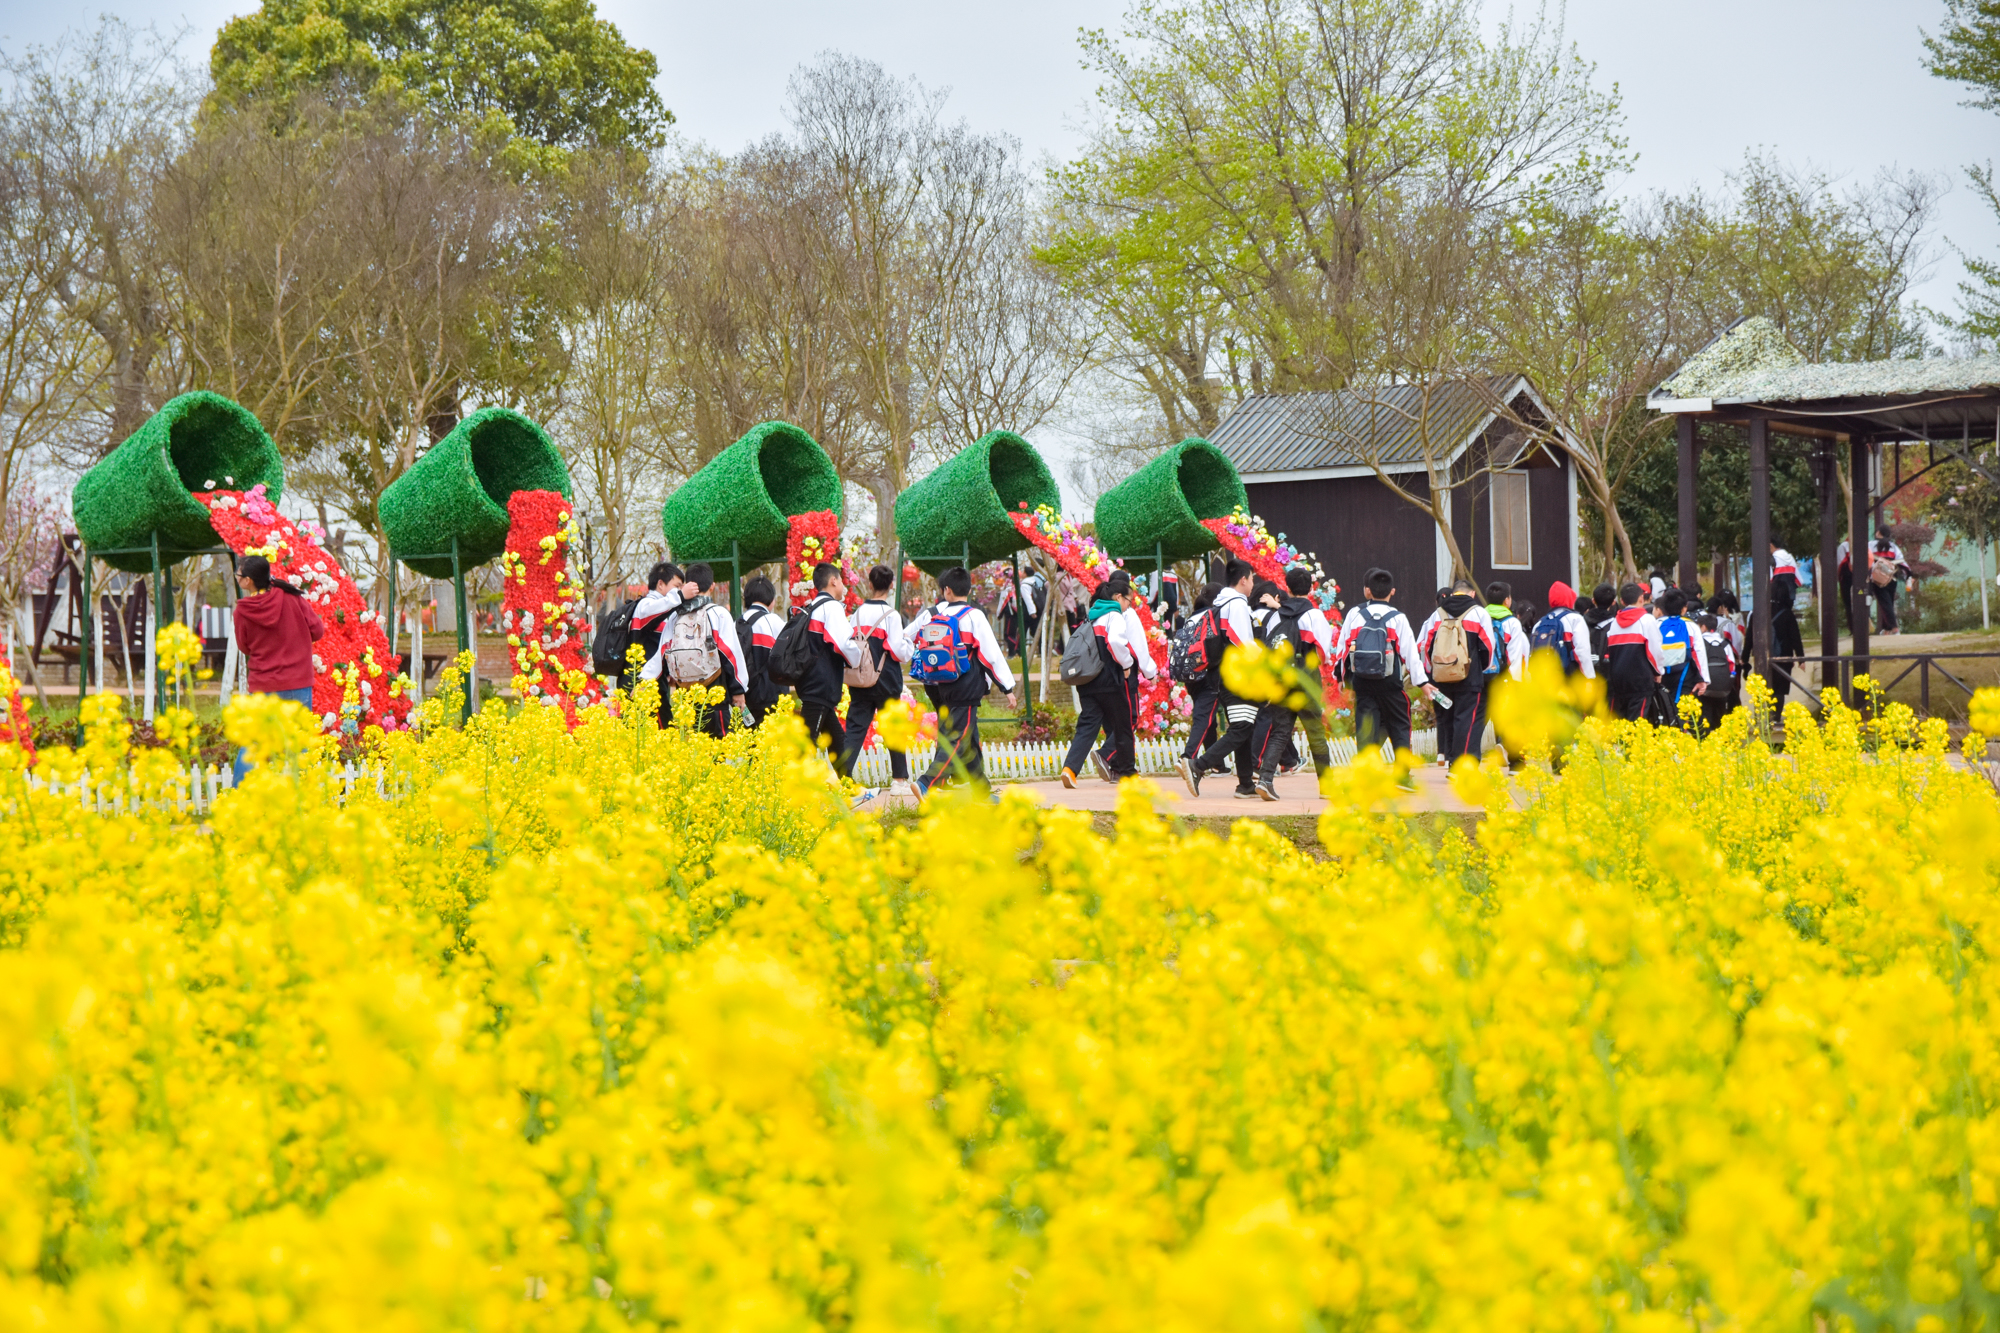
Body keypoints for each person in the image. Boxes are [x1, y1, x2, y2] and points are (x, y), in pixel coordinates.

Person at [908, 566, 1017, 797]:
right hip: (967, 687)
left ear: (947, 590)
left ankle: (982, 793)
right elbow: (990, 655)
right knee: (957, 740)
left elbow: (913, 642)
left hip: (943, 685)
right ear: (968, 589)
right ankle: (927, 782)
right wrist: (1006, 687)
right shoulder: (973, 615)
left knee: (969, 738)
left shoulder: (936, 616)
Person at [230, 554, 326, 783]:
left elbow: (244, 647)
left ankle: (239, 794)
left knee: (253, 743)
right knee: (299, 744)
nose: (237, 577)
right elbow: (317, 630)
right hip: (298, 683)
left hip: (264, 686)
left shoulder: (243, 611)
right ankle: (303, 796)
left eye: (238, 574)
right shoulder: (291, 597)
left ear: (248, 581)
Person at [1247, 566, 1337, 799]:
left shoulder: (1276, 614)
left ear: (1286, 587)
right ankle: (1327, 787)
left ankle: (1266, 779)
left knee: (1280, 732)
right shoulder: (1314, 615)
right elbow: (1324, 653)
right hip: (1306, 679)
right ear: (1310, 588)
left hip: (1281, 680)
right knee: (1315, 732)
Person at [1175, 558, 1260, 798]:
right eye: (1252, 578)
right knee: (1243, 726)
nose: (1253, 583)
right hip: (1237, 674)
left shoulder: (1219, 605)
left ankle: (1245, 784)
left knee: (1243, 725)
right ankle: (1198, 766)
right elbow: (1242, 641)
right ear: (1243, 580)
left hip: (1219, 673)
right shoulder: (1237, 604)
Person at [1334, 567, 1433, 762]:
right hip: (1390, 683)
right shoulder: (1398, 618)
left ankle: (1364, 773)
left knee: (1366, 727)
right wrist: (1422, 683)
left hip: (1362, 682)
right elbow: (1410, 655)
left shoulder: (1355, 615)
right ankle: (1402, 773)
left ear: (1367, 590)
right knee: (1400, 724)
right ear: (1392, 591)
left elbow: (1342, 648)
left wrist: (1340, 677)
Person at [641, 562, 746, 736]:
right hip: (715, 693)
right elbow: (730, 654)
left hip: (686, 695)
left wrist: (643, 680)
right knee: (718, 749)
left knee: (692, 749)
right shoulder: (718, 613)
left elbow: (662, 653)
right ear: (712, 586)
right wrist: (738, 691)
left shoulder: (675, 617)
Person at [840, 565, 915, 793]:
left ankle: (843, 777)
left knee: (855, 728)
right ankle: (899, 781)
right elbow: (897, 650)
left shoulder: (857, 614)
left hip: (861, 678)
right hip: (886, 680)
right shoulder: (891, 615)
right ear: (891, 585)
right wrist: (909, 646)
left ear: (870, 585)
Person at [1061, 578, 1138, 788]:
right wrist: (1126, 664)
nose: (1129, 606)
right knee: (1123, 725)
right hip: (1109, 680)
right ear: (1118, 597)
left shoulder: (1090, 617)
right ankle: (1128, 773)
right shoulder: (1114, 616)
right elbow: (1114, 642)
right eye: (1129, 601)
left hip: (1087, 680)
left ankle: (1070, 769)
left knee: (1087, 725)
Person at [1418, 580, 1497, 764]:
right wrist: (1479, 668)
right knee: (1466, 718)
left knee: (1447, 717)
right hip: (1469, 675)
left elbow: (1425, 645)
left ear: (1453, 593)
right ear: (1472, 594)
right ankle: (1460, 765)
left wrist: (1433, 670)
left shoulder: (1437, 614)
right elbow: (1488, 647)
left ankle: (1450, 759)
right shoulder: (1479, 613)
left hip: (1441, 676)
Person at [797, 562, 863, 760]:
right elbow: (843, 643)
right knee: (806, 745)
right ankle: (795, 787)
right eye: (841, 581)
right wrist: (858, 658)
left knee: (836, 740)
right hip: (821, 684)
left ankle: (848, 787)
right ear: (833, 581)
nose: (843, 586)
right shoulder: (831, 607)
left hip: (811, 682)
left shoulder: (811, 606)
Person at [1101, 570, 1156, 778]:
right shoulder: (1127, 613)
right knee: (1129, 719)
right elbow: (1138, 646)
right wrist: (1149, 672)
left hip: (1104, 675)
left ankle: (1119, 769)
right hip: (1125, 671)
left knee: (1114, 721)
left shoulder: (1100, 610)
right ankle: (1108, 756)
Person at [627, 562, 683, 724]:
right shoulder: (647, 605)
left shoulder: (659, 609)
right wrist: (681, 596)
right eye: (677, 586)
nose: (679, 590)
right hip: (643, 683)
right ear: (660, 584)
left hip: (653, 682)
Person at [1603, 582, 1665, 721]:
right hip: (1640, 680)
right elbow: (1655, 651)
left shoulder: (1613, 623)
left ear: (1622, 601)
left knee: (1619, 723)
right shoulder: (1647, 620)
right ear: (1641, 599)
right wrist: (1658, 672)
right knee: (1638, 722)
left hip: (1618, 680)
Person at [1653, 587, 1709, 726]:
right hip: (1684, 675)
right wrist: (1703, 679)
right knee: (1681, 710)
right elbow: (1699, 653)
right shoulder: (1691, 626)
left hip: (1659, 675)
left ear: (1663, 607)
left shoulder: (1655, 625)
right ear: (1685, 608)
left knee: (1662, 707)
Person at [737, 575, 785, 727]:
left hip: (744, 695)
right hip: (770, 694)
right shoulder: (774, 621)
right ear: (771, 600)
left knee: (748, 741)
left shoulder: (737, 622)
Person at [1530, 582, 1596, 678]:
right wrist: (1590, 678)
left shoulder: (1539, 624)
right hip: (1568, 680)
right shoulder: (1575, 619)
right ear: (1569, 598)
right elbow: (1582, 652)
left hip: (1545, 681)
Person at [1766, 539, 1805, 703]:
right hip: (1786, 605)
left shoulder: (1771, 560)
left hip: (1773, 605)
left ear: (1770, 545)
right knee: (1781, 687)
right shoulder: (1790, 558)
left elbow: (1768, 581)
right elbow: (1799, 581)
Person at [1696, 611, 1740, 729]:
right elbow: (1732, 667)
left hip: (1705, 688)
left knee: (1705, 715)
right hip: (1723, 687)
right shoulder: (1725, 644)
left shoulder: (1700, 643)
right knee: (1720, 715)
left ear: (1703, 627)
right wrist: (1730, 679)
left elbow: (1697, 663)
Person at [1865, 529, 1911, 635]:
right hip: (1892, 577)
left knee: (1884, 603)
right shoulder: (1893, 546)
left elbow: (1867, 559)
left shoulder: (1870, 545)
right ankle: (1887, 629)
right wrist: (1908, 575)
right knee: (1889, 601)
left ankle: (1894, 628)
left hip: (1877, 578)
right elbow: (1902, 562)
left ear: (1878, 533)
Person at [1584, 582, 1619, 665]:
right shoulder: (1616, 624)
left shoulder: (1582, 621)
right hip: (1608, 671)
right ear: (1613, 602)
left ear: (1593, 600)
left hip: (1584, 672)